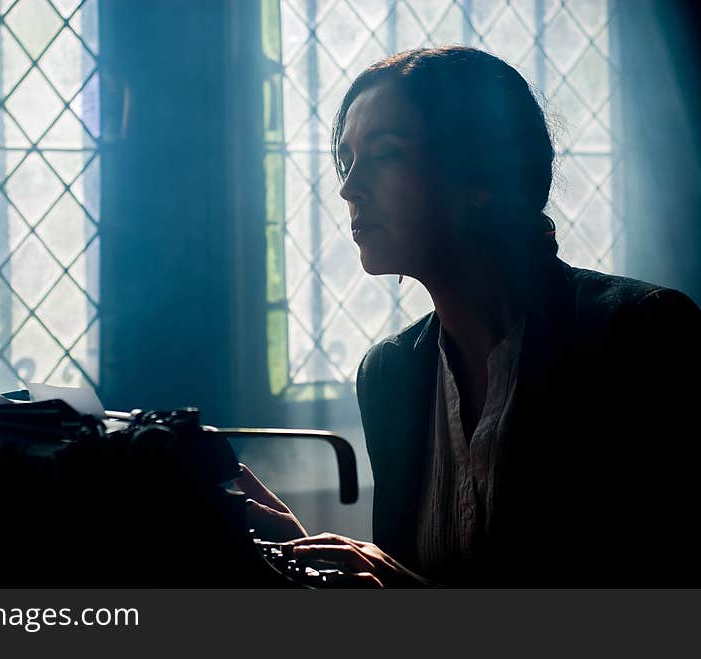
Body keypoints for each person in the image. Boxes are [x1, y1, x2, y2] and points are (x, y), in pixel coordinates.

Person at [236, 46, 701, 587]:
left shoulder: (640, 336)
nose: (348, 188)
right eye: (348, 160)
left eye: (384, 155)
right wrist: (311, 557)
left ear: (480, 175)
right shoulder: (389, 375)